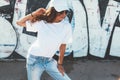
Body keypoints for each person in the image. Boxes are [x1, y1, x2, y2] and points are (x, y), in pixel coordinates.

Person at [16, 0, 72, 80]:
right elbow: (19, 23)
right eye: (61, 12)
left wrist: (60, 64)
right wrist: (34, 13)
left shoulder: (66, 26)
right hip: (35, 60)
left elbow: (63, 45)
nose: (64, 15)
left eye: (66, 12)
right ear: (53, 11)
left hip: (49, 61)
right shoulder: (42, 23)